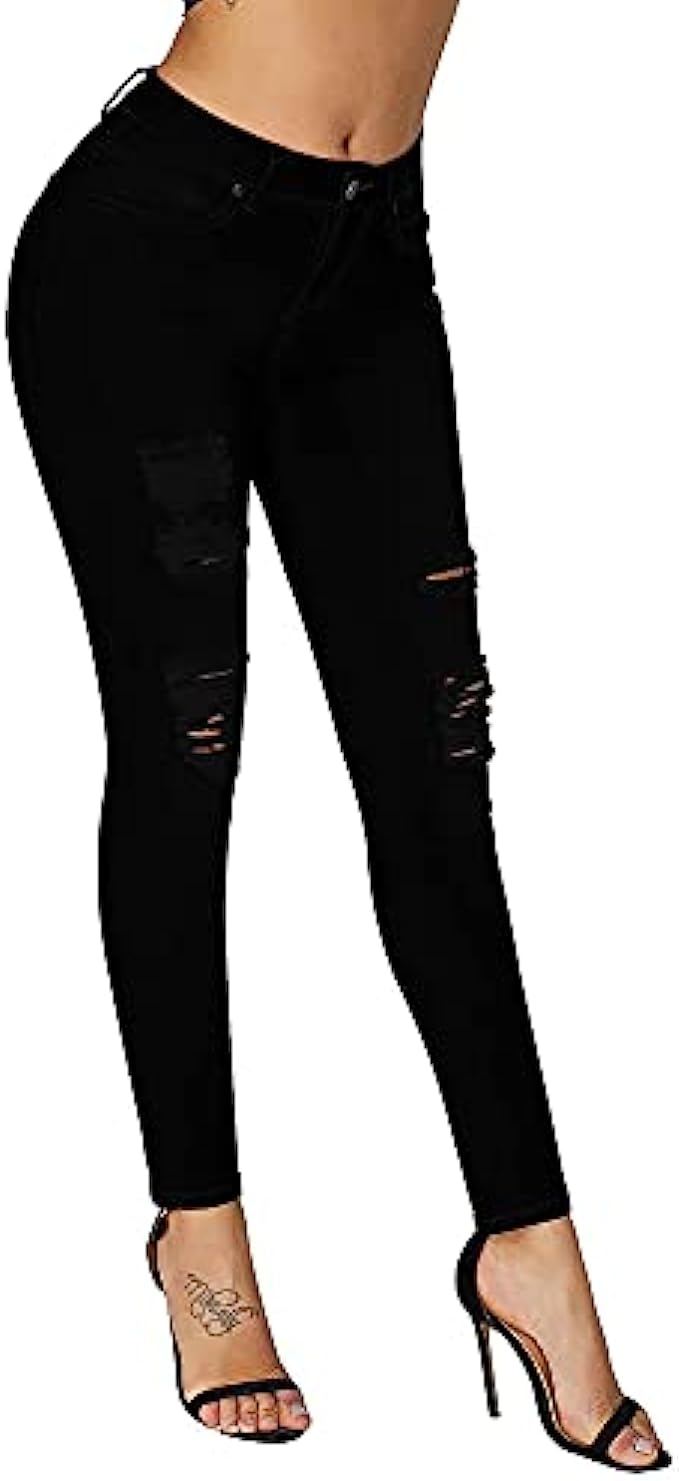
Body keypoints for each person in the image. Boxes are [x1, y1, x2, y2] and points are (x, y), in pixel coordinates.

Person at [5, 0, 670, 1465]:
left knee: (440, 771)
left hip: (368, 254)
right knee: (186, 755)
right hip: (150, 251)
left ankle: (531, 1244)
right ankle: (201, 1232)